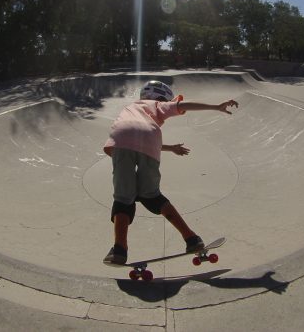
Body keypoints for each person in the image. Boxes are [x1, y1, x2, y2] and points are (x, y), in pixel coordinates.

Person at [102, 80, 239, 265]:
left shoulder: (131, 107)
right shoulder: (158, 105)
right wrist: (216, 106)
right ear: (163, 98)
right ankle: (191, 239)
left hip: (121, 138)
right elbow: (182, 106)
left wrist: (170, 148)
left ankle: (119, 249)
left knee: (123, 197)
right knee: (152, 196)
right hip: (150, 138)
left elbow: (133, 135)